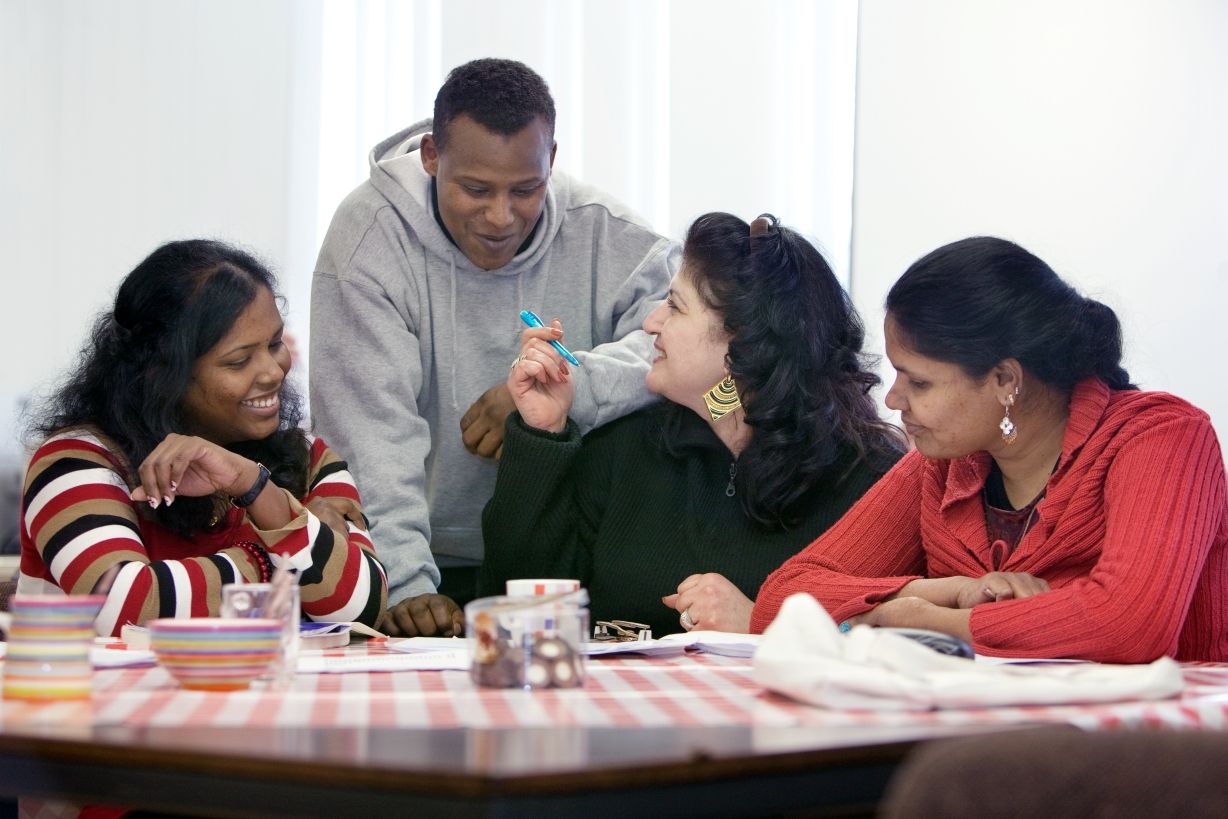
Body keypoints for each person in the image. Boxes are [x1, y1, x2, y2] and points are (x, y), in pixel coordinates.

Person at [310, 58, 675, 635]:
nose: (501, 217)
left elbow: (680, 353)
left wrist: (568, 384)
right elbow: (369, 430)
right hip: (417, 574)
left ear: (550, 161)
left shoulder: (610, 233)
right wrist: (404, 582)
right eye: (475, 190)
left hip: (565, 568)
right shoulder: (370, 237)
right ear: (431, 157)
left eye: (525, 189)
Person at [752, 236, 1227, 662]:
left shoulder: (1163, 437)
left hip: (1160, 748)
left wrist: (928, 622)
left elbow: (1129, 624)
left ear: (1004, 381)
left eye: (919, 382)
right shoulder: (942, 464)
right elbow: (782, 598)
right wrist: (951, 592)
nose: (894, 400)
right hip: (997, 736)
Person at [479, 213, 904, 638]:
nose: (650, 324)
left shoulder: (868, 479)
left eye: (675, 307)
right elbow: (520, 608)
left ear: (743, 344)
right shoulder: (626, 447)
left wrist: (761, 622)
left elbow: (890, 636)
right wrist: (543, 432)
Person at [20, 240, 387, 636]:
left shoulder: (310, 458)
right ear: (163, 374)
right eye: (239, 360)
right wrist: (277, 554)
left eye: (274, 344)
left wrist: (253, 485)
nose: (273, 372)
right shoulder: (75, 461)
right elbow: (124, 606)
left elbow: (363, 607)